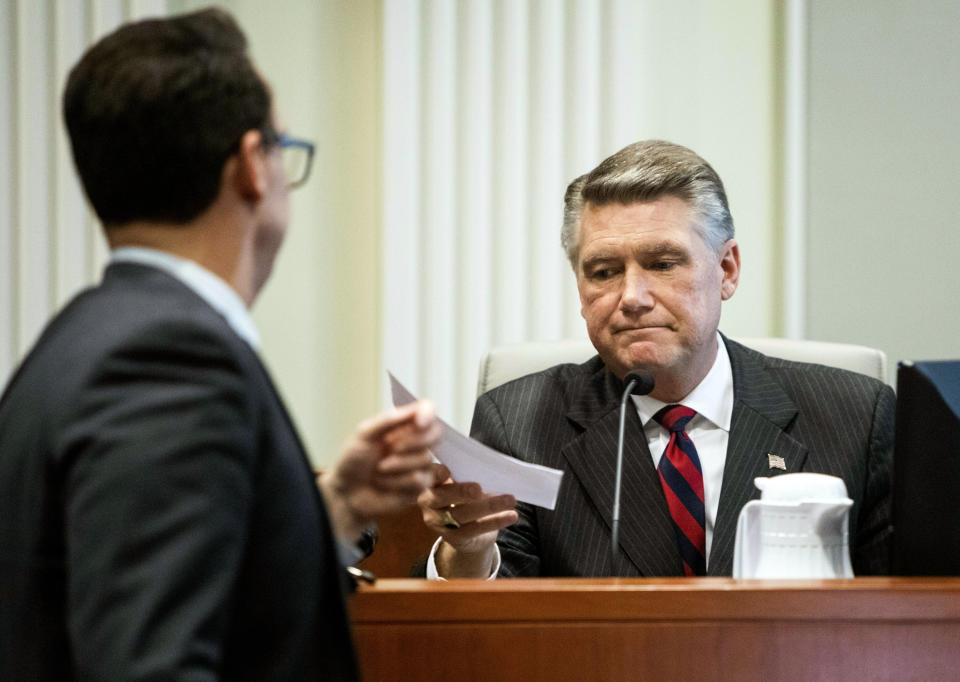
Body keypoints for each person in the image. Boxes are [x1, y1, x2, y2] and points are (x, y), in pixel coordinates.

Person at [0, 9, 438, 680]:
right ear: (251, 168)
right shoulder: (169, 361)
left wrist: (333, 510)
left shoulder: (78, 339)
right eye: (282, 144)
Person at [419, 140, 894, 579]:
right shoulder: (520, 422)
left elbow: (909, 617)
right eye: (604, 272)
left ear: (726, 271)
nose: (632, 297)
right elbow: (497, 623)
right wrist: (470, 549)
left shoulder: (854, 416)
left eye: (663, 264)